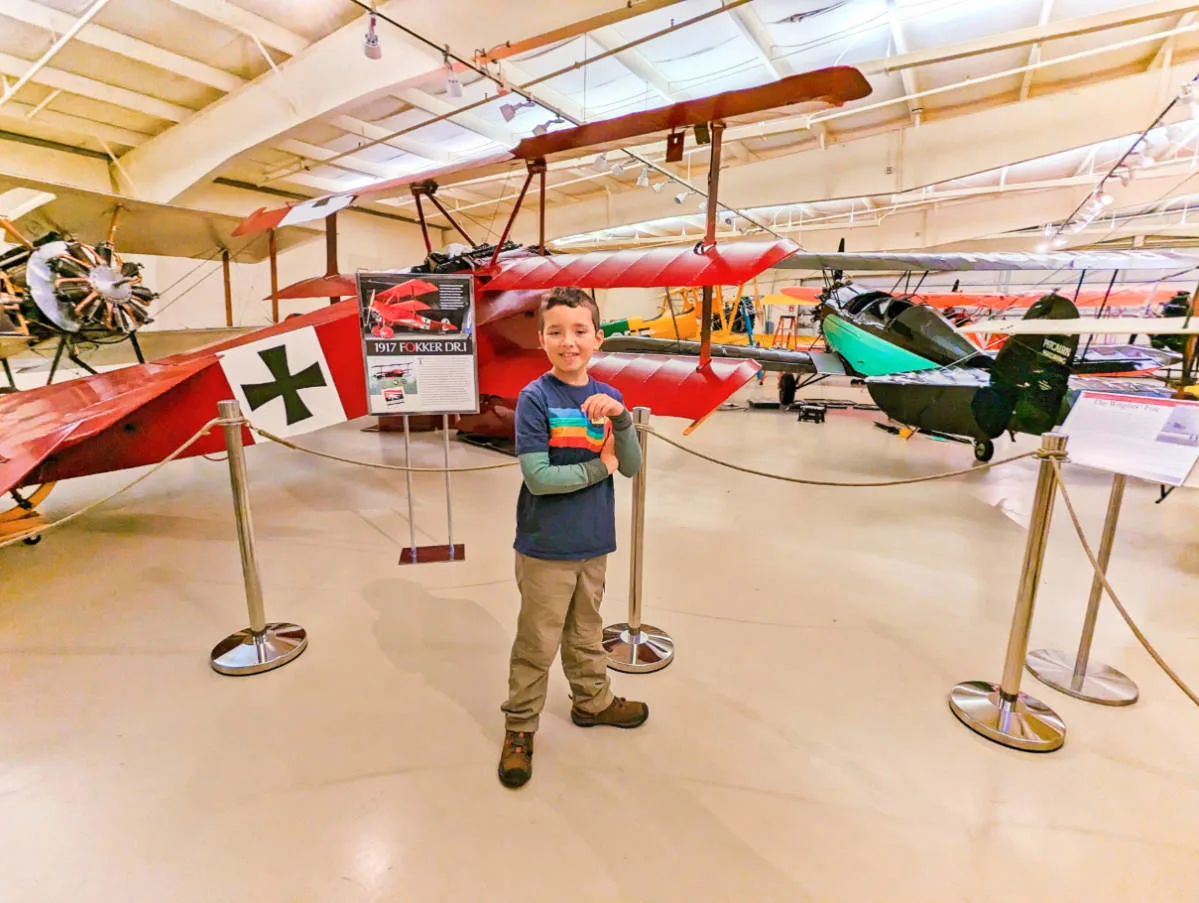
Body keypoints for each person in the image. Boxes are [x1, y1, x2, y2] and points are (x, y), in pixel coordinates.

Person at [498, 286, 647, 789]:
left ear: (597, 338)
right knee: (537, 641)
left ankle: (592, 701)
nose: (569, 342)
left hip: (593, 542)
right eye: (557, 332)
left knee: (587, 631)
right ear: (542, 340)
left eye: (580, 331)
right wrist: (599, 466)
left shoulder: (609, 398)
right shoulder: (535, 399)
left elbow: (632, 466)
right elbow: (540, 478)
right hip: (545, 546)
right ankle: (519, 727)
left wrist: (623, 421)